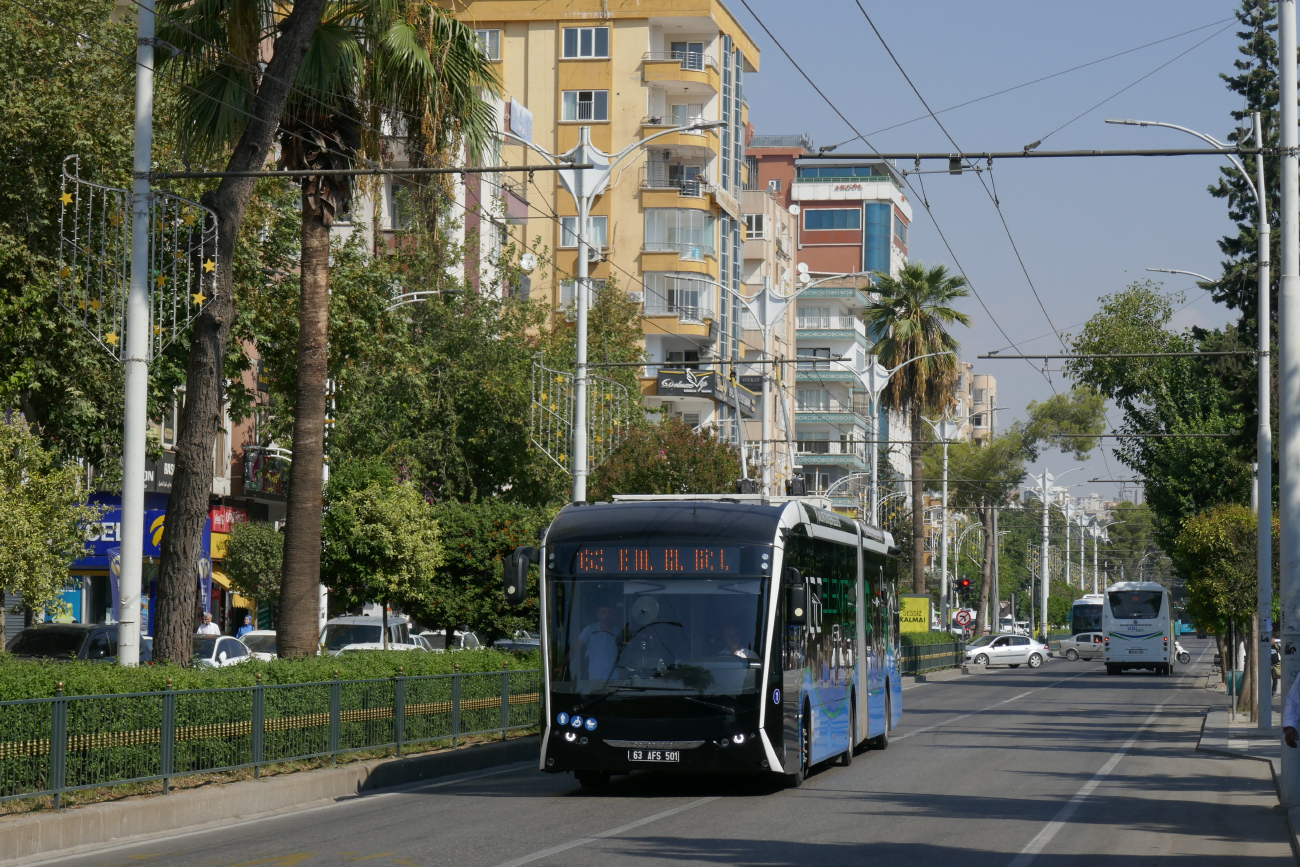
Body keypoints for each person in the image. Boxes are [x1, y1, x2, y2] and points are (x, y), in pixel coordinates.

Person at [575, 604, 619, 681]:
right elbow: (575, 649)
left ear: (613, 614)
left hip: (614, 676)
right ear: (598, 615)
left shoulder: (619, 632)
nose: (607, 615)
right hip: (596, 677)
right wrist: (562, 665)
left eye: (609, 612)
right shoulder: (589, 630)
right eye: (603, 613)